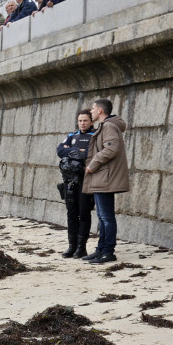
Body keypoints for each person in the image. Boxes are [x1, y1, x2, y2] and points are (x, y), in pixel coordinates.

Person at [81, 99, 129, 264]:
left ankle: (108, 251)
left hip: (105, 178)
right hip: (102, 177)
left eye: (93, 108)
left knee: (106, 217)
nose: (91, 111)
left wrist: (92, 165)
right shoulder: (105, 126)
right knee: (102, 217)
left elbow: (111, 149)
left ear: (100, 110)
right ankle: (101, 249)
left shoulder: (108, 126)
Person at [56, 110, 95, 258]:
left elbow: (89, 154)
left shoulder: (94, 136)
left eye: (85, 120)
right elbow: (60, 150)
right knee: (71, 214)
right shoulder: (72, 135)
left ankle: (81, 247)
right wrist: (78, 151)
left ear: (91, 121)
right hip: (69, 181)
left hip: (85, 181)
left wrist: (71, 151)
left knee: (84, 213)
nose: (82, 123)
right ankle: (71, 246)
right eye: (80, 121)